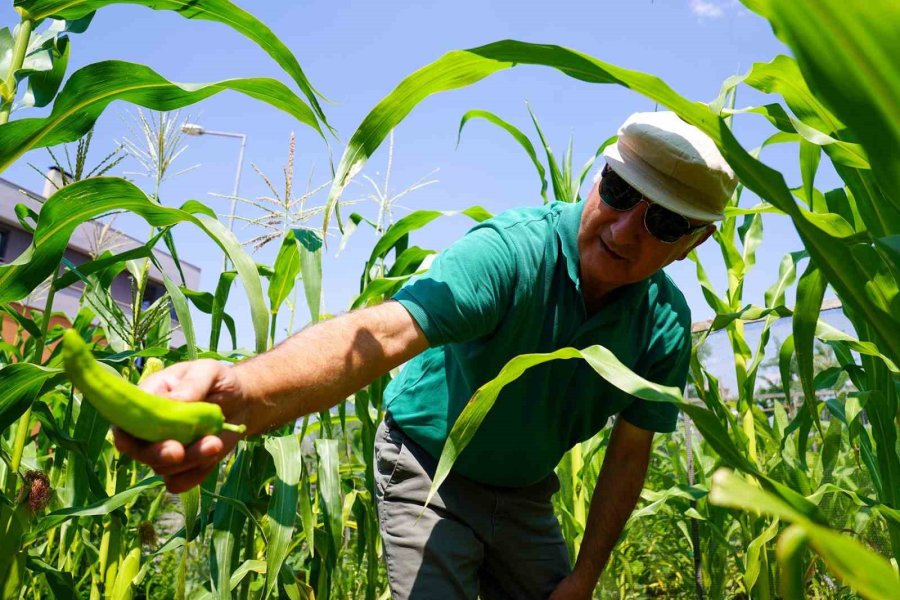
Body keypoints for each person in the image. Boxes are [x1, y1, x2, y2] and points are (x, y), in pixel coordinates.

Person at [115, 111, 737, 599]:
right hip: (425, 466)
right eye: (622, 191)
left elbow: (631, 455)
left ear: (693, 244)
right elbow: (384, 333)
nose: (625, 227)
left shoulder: (663, 325)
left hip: (524, 494)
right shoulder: (511, 254)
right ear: (597, 178)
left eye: (662, 223)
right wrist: (244, 395)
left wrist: (585, 578)